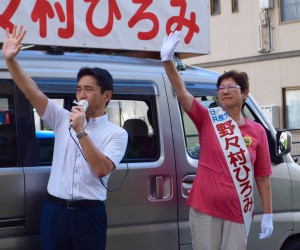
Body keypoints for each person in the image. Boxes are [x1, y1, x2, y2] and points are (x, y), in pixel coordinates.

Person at [2, 25, 128, 250]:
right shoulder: (62, 118)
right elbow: (32, 92)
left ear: (107, 95)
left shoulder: (116, 133)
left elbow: (100, 169)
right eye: (79, 89)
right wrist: (11, 61)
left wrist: (81, 131)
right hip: (54, 211)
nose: (81, 95)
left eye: (89, 89)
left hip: (89, 213)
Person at [160, 31, 273, 250]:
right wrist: (167, 62)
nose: (225, 91)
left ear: (245, 94)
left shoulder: (257, 131)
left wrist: (268, 214)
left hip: (239, 209)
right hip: (205, 210)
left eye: (232, 87)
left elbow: (263, 177)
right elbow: (182, 93)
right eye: (221, 88)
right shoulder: (207, 119)